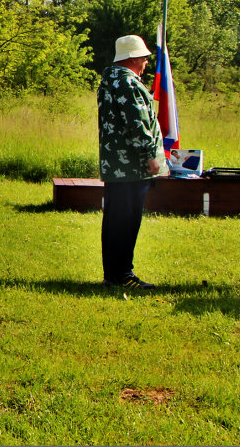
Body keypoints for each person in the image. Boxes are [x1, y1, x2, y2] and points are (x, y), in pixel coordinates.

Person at [97, 34, 163, 290]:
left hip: (116, 165)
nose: (146, 62)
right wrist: (150, 155)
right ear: (134, 58)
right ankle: (123, 274)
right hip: (132, 165)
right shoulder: (128, 83)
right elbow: (137, 122)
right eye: (144, 57)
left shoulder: (110, 80)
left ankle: (113, 274)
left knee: (115, 219)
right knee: (127, 221)